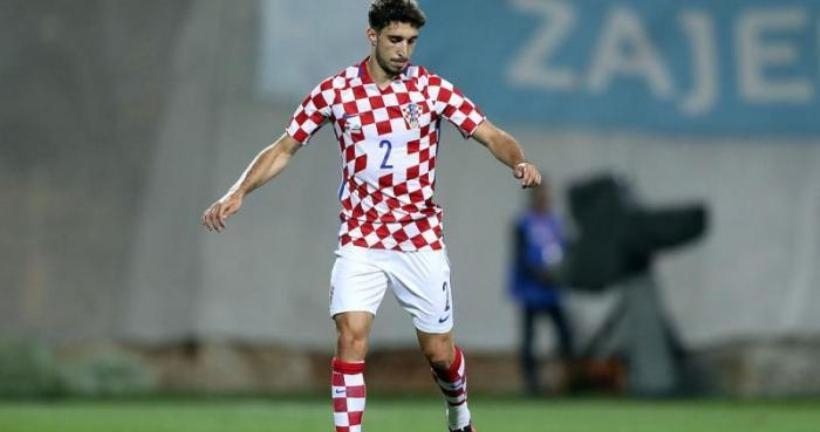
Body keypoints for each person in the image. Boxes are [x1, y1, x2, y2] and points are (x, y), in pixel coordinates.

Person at [201, 1, 541, 431]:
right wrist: (239, 191)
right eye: (395, 39)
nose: (404, 50)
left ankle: (459, 412)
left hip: (418, 238)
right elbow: (285, 147)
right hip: (361, 238)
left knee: (439, 353)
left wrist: (518, 161)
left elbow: (490, 134)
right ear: (372, 36)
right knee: (350, 337)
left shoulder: (431, 89)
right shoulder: (336, 92)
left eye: (411, 41)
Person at [509, 181, 574, 396]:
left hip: (552, 291)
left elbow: (565, 251)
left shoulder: (556, 223)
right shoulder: (524, 223)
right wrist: (540, 274)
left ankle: (566, 381)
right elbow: (520, 256)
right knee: (529, 340)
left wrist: (559, 273)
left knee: (565, 335)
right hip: (532, 291)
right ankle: (531, 385)